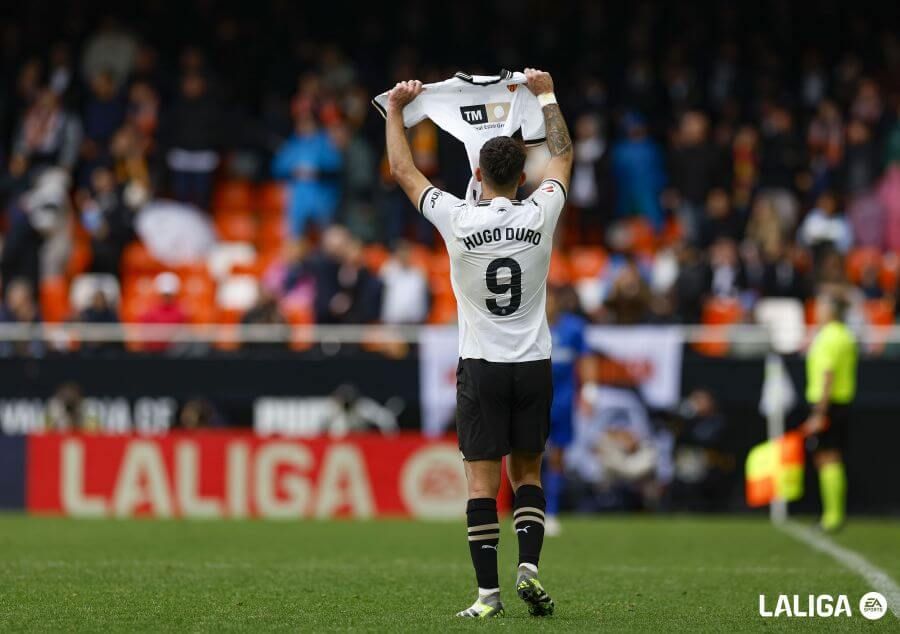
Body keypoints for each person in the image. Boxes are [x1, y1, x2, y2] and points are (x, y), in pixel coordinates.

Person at [384, 68, 572, 618]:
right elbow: (562, 155)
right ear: (522, 176)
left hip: (483, 365)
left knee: (481, 486)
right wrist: (546, 96)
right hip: (533, 363)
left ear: (477, 175)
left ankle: (488, 597)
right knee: (529, 474)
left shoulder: (458, 218)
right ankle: (529, 569)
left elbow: (401, 169)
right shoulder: (542, 212)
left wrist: (396, 110)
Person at [802, 293, 858, 532]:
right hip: (841, 403)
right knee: (832, 457)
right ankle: (834, 514)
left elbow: (827, 375)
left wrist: (819, 412)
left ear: (830, 310)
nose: (817, 310)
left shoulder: (827, 338)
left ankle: (832, 517)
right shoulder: (845, 335)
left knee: (827, 457)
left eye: (821, 306)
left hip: (828, 404)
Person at [544, 286, 596, 536]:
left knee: (557, 457)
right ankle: (524, 510)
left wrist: (590, 390)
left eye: (550, 298)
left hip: (562, 403)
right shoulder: (527, 327)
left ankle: (550, 512)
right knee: (523, 456)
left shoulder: (573, 328)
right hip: (531, 402)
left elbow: (586, 358)